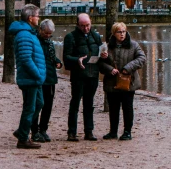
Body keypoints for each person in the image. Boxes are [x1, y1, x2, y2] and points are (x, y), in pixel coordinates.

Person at [63, 13, 106, 141]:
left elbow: (100, 52)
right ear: (78, 25)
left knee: (89, 104)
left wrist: (104, 55)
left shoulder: (96, 36)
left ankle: (89, 131)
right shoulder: (71, 37)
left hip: (93, 74)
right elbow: (66, 57)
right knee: (75, 103)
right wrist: (77, 60)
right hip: (78, 75)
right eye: (83, 26)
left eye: (88, 25)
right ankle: (72, 132)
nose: (86, 28)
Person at [100, 22, 146, 141]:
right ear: (114, 33)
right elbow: (99, 63)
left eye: (123, 31)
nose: (122, 34)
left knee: (127, 107)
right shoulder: (107, 47)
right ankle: (113, 131)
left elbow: (142, 58)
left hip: (128, 82)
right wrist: (109, 69)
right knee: (113, 108)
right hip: (112, 81)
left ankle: (127, 131)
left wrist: (128, 68)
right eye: (119, 32)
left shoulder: (133, 45)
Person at [9, 4, 46, 149]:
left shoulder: (29, 33)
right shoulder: (24, 34)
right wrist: (37, 74)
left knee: (39, 103)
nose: (39, 18)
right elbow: (25, 58)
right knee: (30, 107)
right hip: (30, 78)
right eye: (37, 16)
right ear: (31, 18)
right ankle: (23, 138)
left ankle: (22, 131)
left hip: (34, 78)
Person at [31, 19, 62, 143]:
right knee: (38, 104)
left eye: (50, 34)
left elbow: (51, 57)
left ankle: (43, 129)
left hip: (50, 77)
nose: (48, 36)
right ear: (40, 30)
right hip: (39, 77)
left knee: (48, 105)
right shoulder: (35, 41)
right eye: (46, 33)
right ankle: (34, 130)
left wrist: (57, 62)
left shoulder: (49, 43)